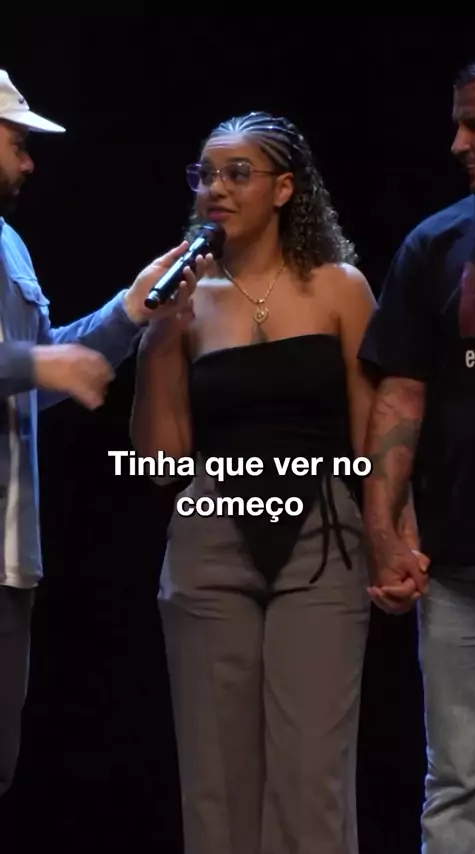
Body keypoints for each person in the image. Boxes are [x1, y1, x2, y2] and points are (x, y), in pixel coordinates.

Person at [131, 109, 378, 854]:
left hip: (321, 539)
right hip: (211, 535)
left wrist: (391, 538)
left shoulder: (340, 288)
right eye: (205, 174)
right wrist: (158, 336)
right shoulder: (187, 300)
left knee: (311, 779)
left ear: (284, 189)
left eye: (238, 173)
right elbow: (161, 458)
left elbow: (372, 436)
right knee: (217, 783)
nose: (216, 188)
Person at [0, 69, 204, 800]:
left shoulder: (9, 245)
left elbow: (41, 375)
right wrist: (35, 362)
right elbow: (35, 365)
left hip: (10, 557)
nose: (29, 163)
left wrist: (129, 311)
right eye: (17, 144)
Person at [359, 58, 475, 853]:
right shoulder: (436, 244)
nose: (458, 143)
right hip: (461, 569)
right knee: (459, 781)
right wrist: (385, 532)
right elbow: (399, 396)